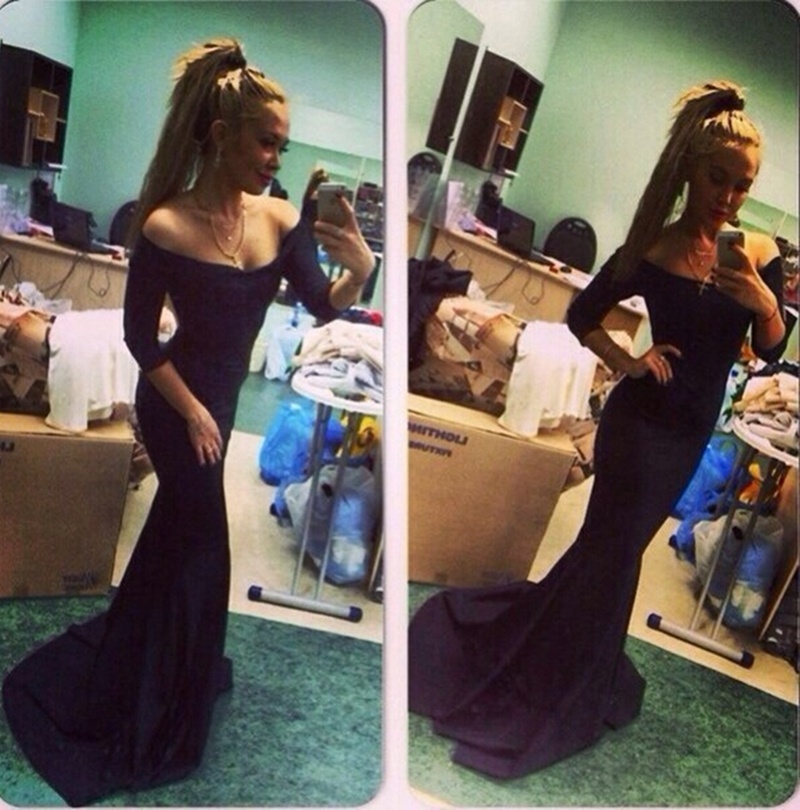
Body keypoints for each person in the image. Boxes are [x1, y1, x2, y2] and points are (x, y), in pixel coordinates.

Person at [2, 37, 374, 806]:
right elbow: (142, 340)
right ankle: (168, 698)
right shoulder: (166, 226)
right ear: (222, 135)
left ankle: (142, 661)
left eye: (282, 144)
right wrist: (196, 410)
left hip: (222, 405)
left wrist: (361, 270)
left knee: (173, 542)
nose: (275, 158)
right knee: (204, 550)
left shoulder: (280, 221)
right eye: (265, 141)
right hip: (177, 409)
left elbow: (320, 304)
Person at [408, 80, 788, 779]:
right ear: (690, 170)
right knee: (610, 554)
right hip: (638, 426)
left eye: (744, 185)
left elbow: (771, 349)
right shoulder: (653, 248)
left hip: (688, 434)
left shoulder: (759, 253)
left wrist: (764, 301)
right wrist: (630, 361)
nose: (730, 198)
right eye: (718, 179)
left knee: (611, 553)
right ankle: (565, 679)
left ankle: (564, 662)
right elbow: (582, 315)